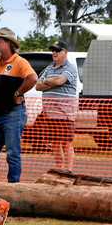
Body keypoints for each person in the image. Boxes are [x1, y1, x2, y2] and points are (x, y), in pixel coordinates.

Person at [0, 27, 36, 187]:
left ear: (9, 43)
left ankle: (13, 188)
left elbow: (32, 78)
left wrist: (18, 92)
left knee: (12, 154)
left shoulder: (20, 62)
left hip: (13, 114)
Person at [33, 41, 79, 173]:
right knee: (55, 143)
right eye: (53, 50)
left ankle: (68, 171)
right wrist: (51, 82)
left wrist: (47, 81)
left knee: (66, 143)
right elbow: (37, 85)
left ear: (65, 52)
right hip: (50, 113)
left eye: (57, 50)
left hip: (65, 114)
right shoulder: (49, 68)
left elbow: (60, 81)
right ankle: (59, 170)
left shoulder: (70, 68)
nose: (54, 53)